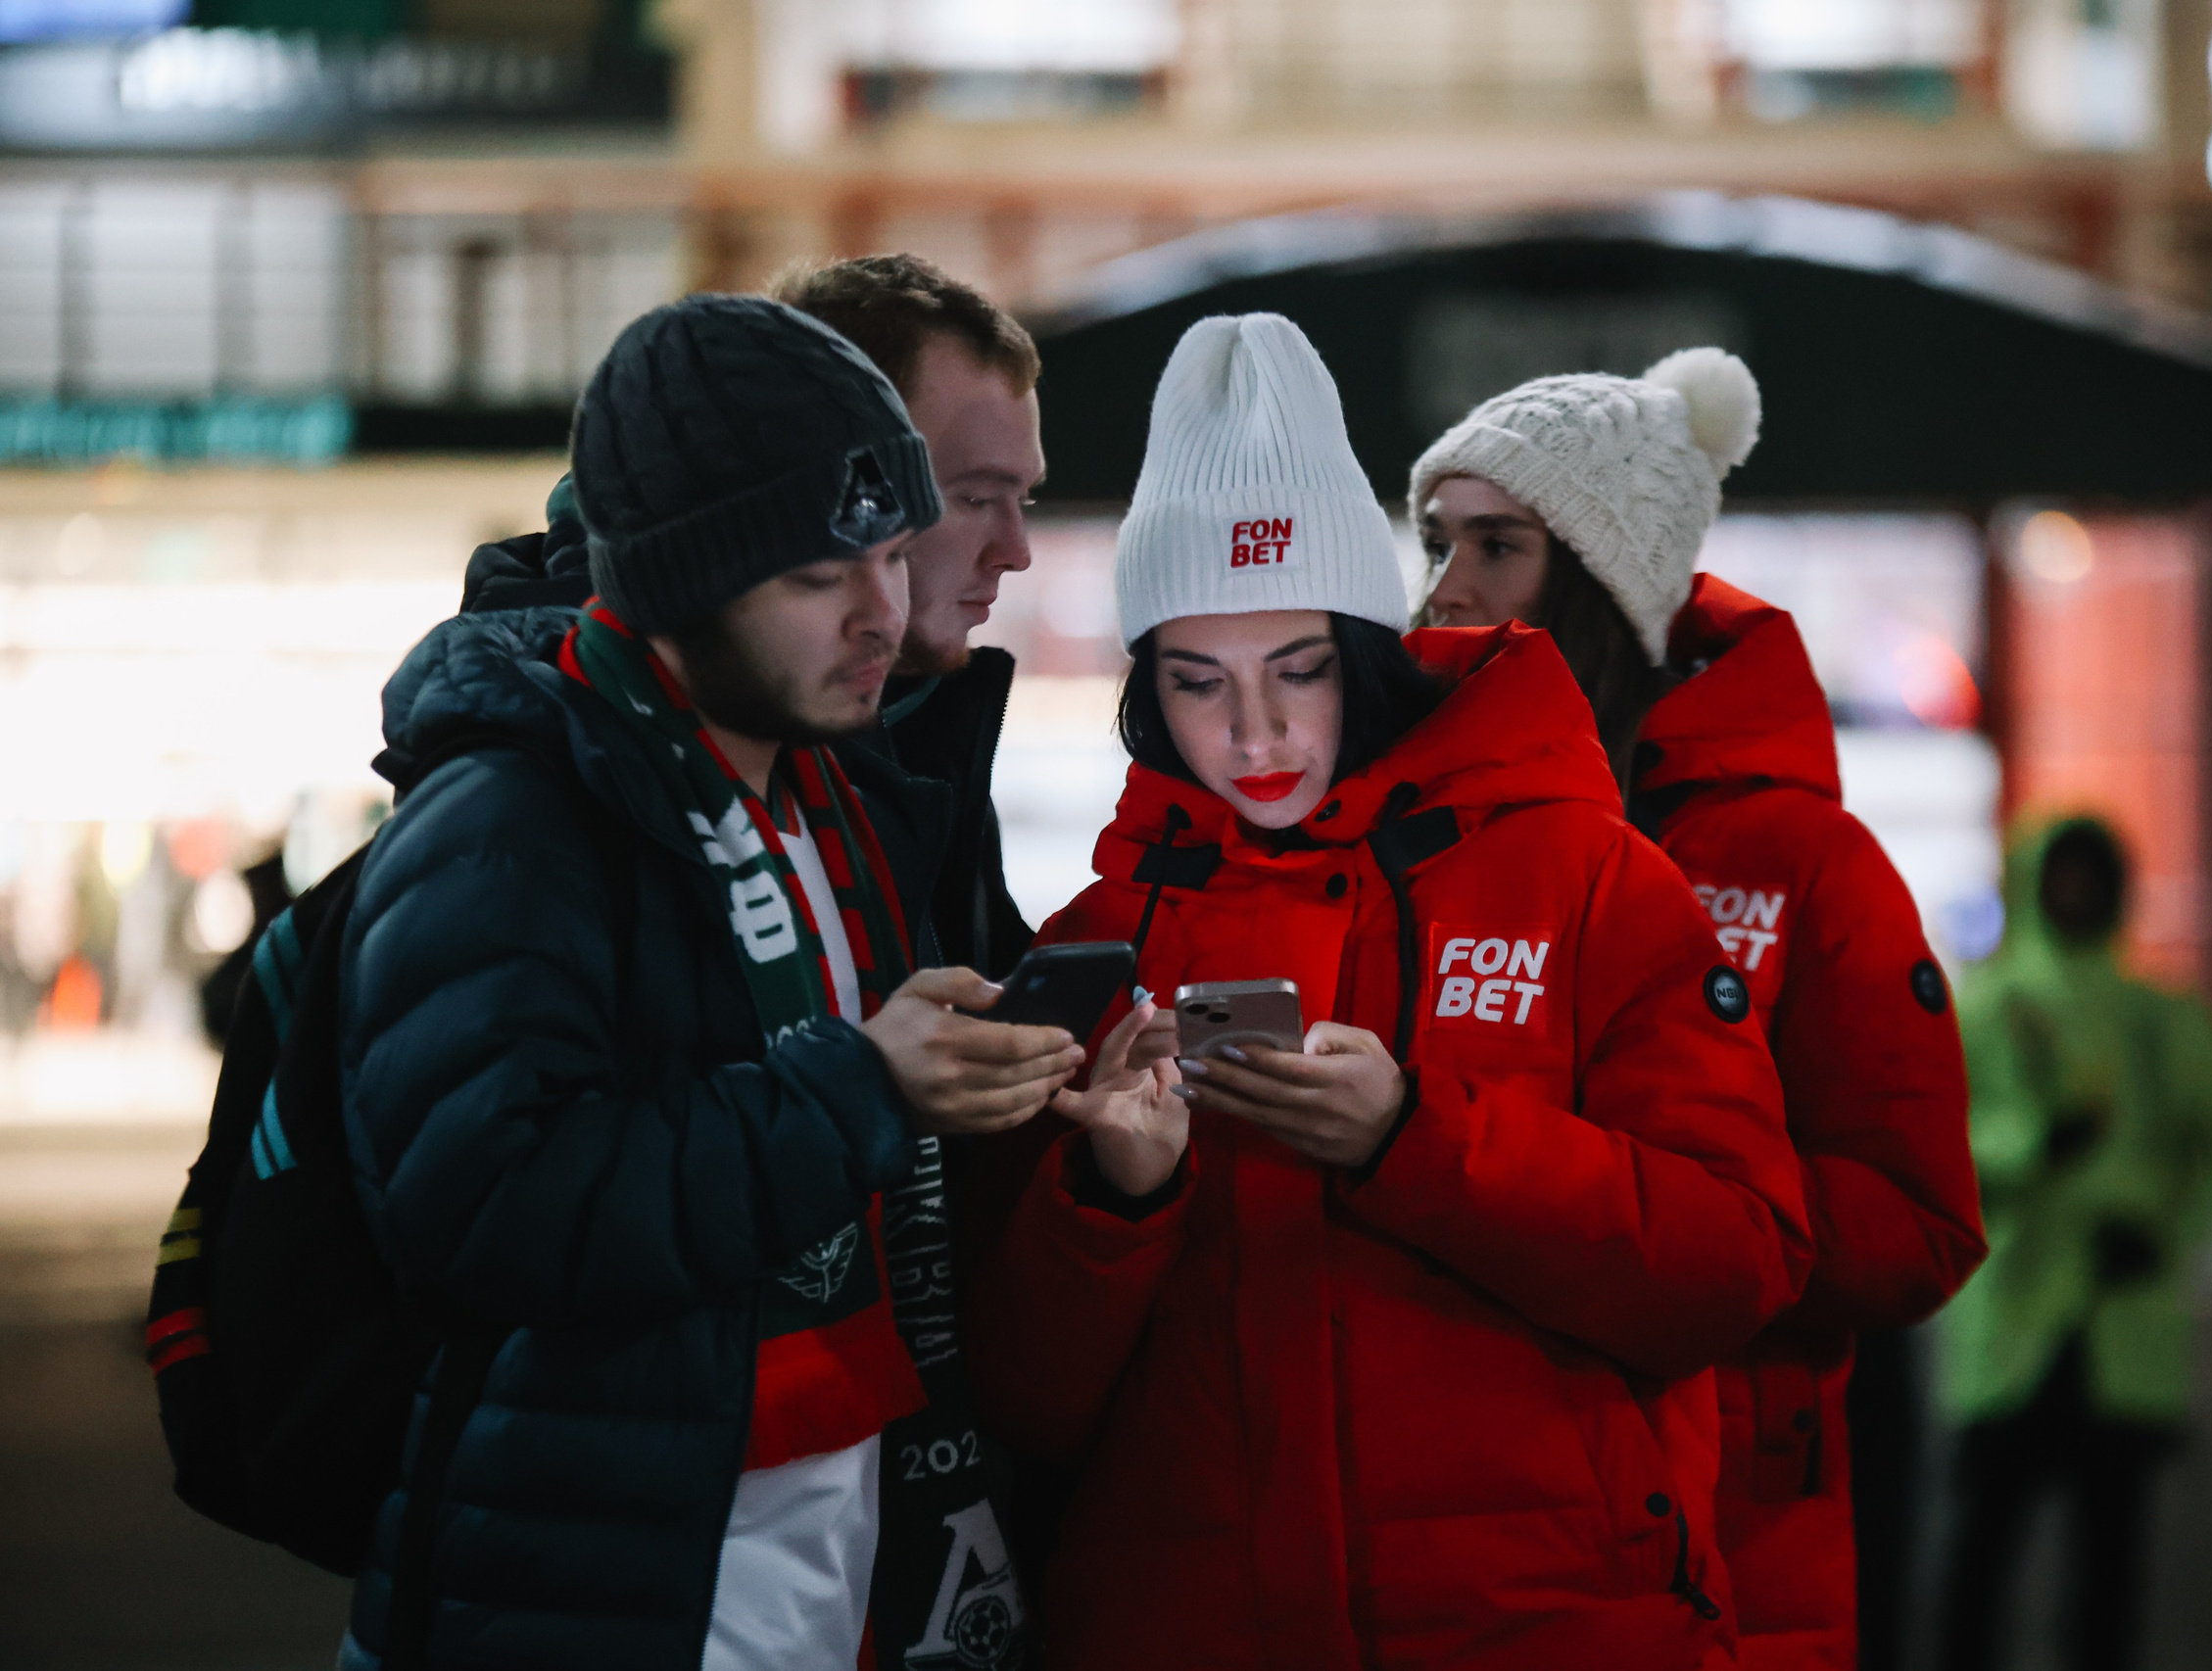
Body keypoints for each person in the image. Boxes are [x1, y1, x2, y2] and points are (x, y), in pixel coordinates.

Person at [963, 312, 1810, 1670]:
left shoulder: (1588, 878)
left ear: (1365, 645)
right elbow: (1018, 1396)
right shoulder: (1107, 937)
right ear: (1147, 693)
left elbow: (1737, 1265)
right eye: (1199, 681)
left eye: (1298, 668)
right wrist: (1115, 1200)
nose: (1256, 731)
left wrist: (1417, 1139)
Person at [332, 295, 1083, 1671]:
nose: (881, 609)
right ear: (680, 580)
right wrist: (859, 1084)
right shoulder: (507, 818)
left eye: (886, 555)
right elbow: (484, 1202)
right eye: (814, 576)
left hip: (829, 1546)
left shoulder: (839, 799)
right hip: (603, 1573)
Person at [1409, 350, 1987, 1671]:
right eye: (1439, 539)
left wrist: (1689, 1228)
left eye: (1497, 545)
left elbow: (1921, 1224)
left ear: (1610, 584)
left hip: (1733, 1527)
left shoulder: (1802, 861)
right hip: (1490, 1517)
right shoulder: (1428, 835)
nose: (1446, 587)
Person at [1932, 815, 2212, 1671]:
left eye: (2092, 875)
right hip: (2019, 1310)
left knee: (2108, 1558)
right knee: (1984, 1544)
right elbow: (1933, 1141)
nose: (2076, 893)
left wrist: (2165, 1233)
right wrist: (2031, 1146)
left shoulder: (2160, 1015)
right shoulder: (1989, 1009)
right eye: (2061, 875)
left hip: (2119, 1313)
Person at [771, 254, 1049, 979]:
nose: (1015, 552)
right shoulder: (563, 741)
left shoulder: (925, 725)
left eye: (1027, 500)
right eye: (977, 497)